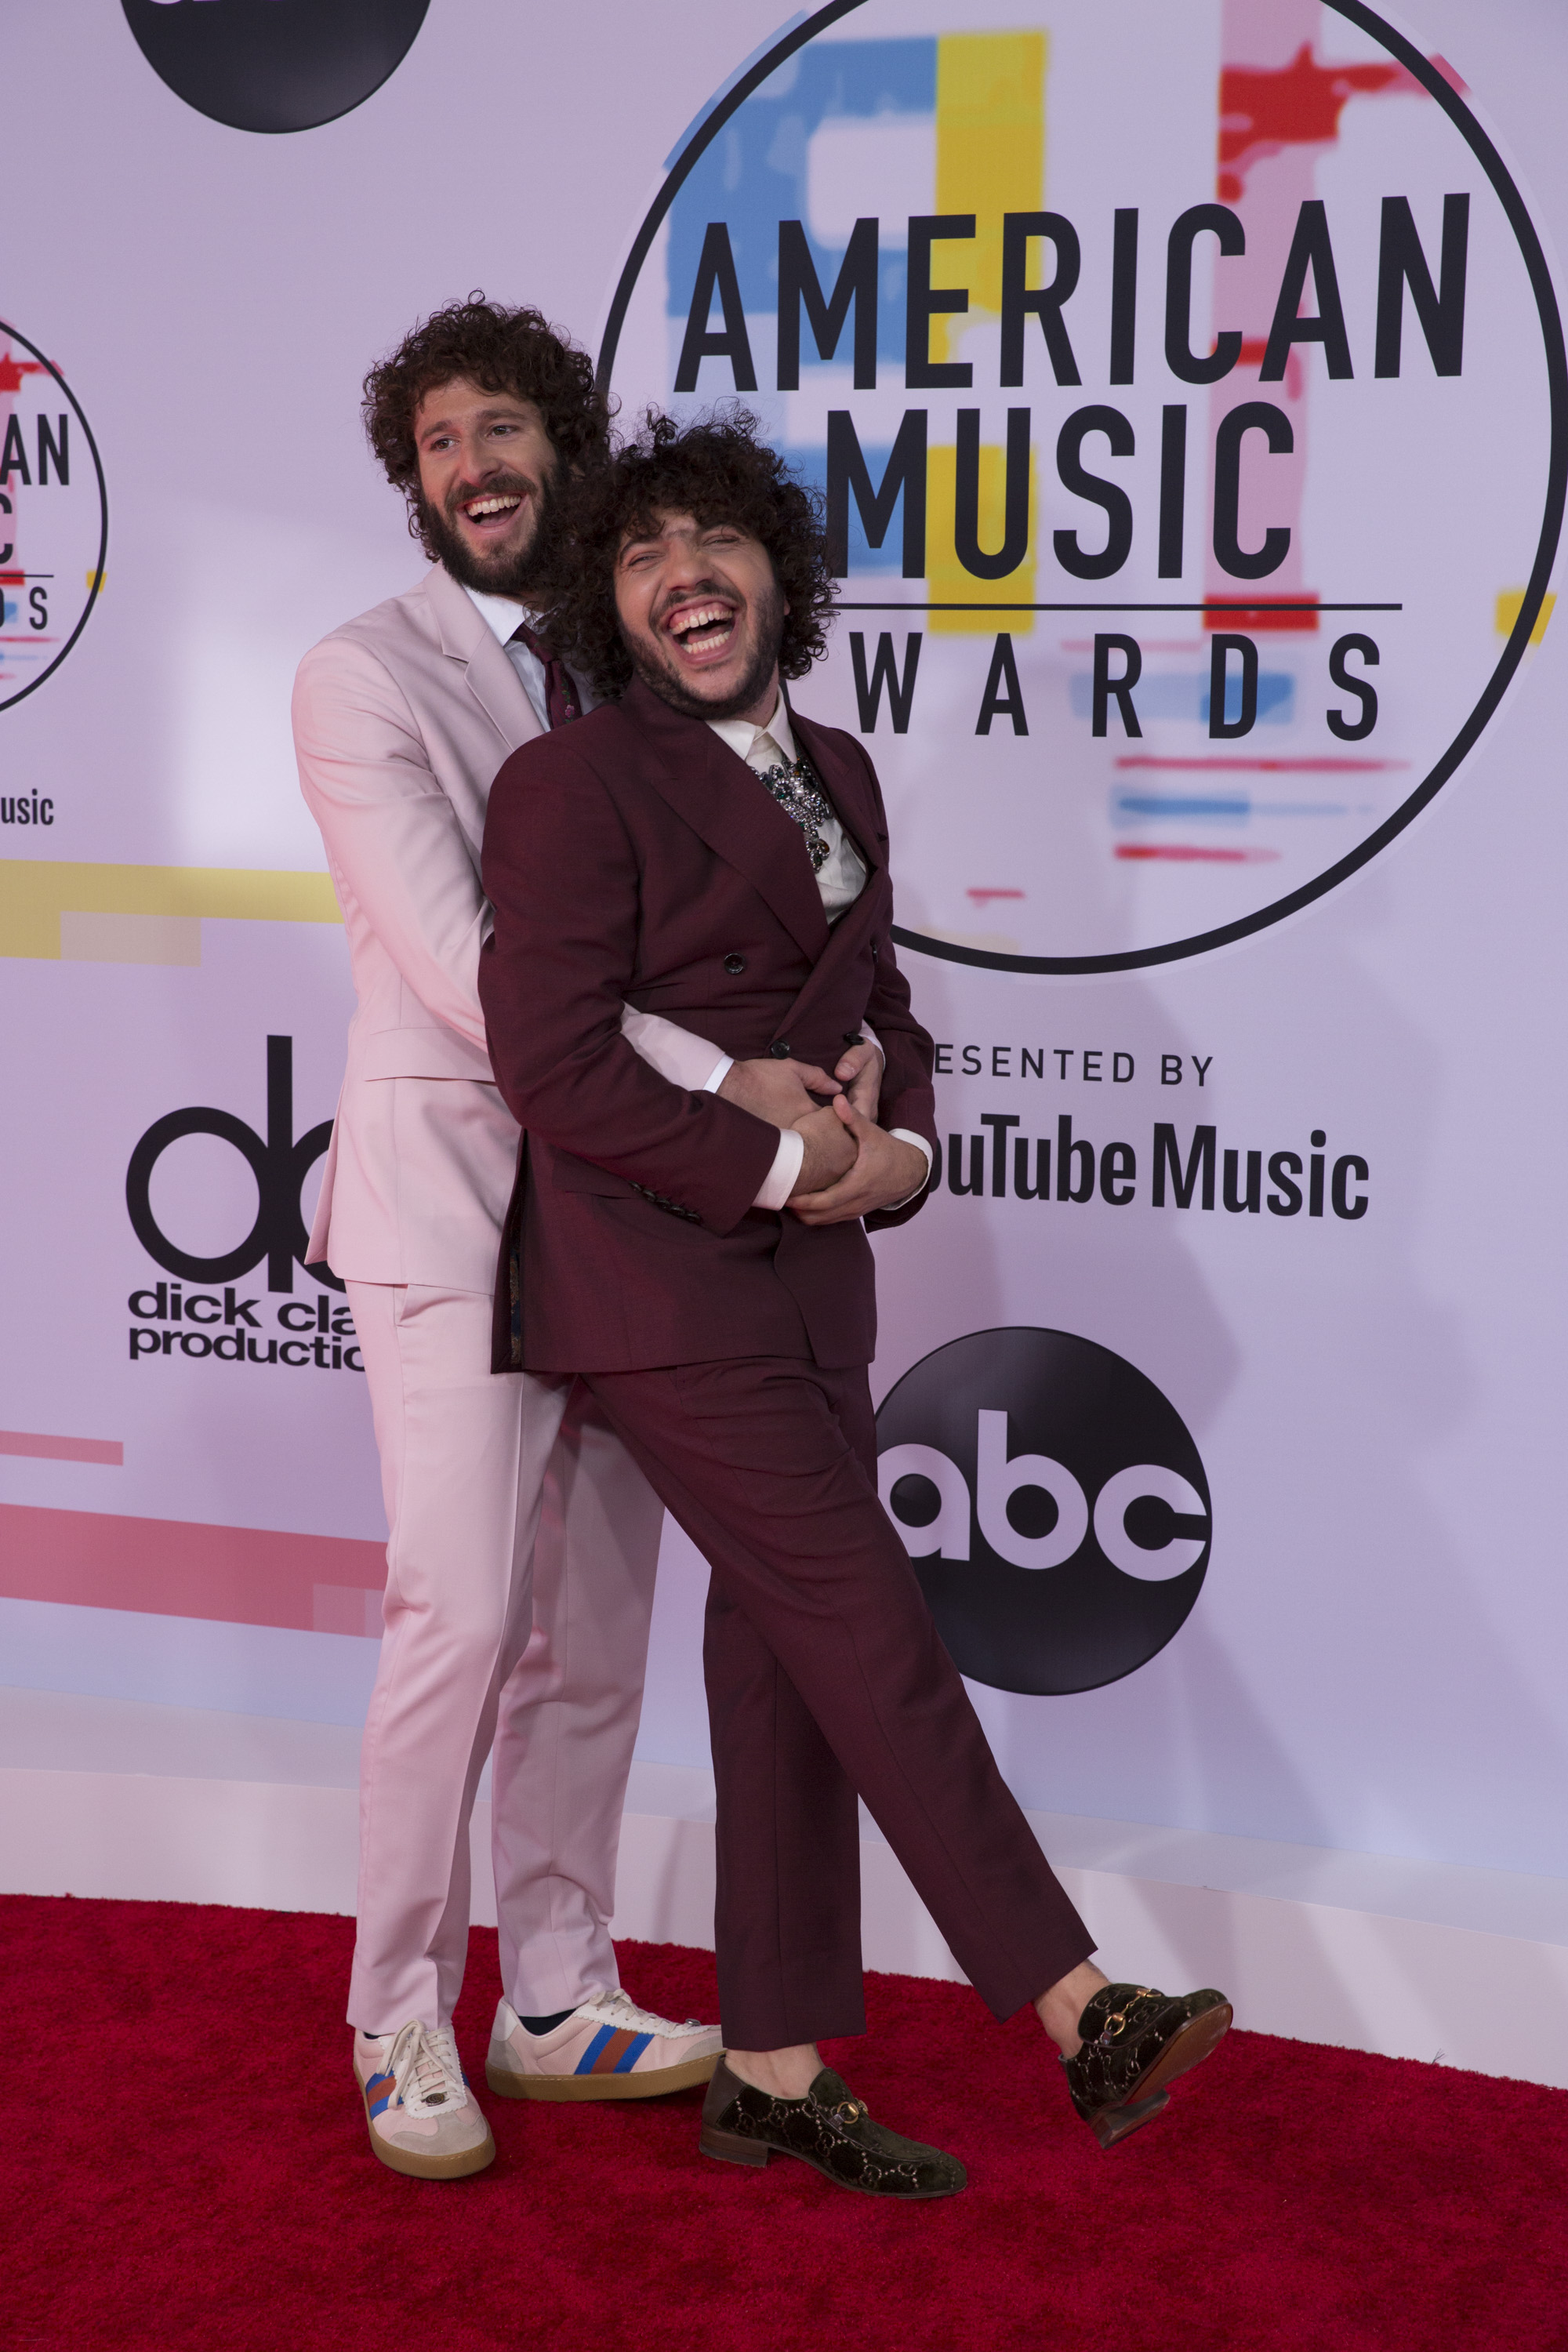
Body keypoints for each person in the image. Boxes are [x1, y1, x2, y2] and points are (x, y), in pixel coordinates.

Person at [477, 408, 1232, 2201]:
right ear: (611, 606)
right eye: (642, 554)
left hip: (816, 1279)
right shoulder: (571, 785)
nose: (682, 575)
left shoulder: (842, 767)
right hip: (658, 1278)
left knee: (787, 1671)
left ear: (776, 576)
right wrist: (771, 1167)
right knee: (868, 1626)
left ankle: (772, 2068)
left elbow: (878, 1004)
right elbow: (552, 1064)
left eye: (713, 540)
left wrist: (897, 1154)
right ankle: (1078, 2005)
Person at [292, 304, 881, 2180]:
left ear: (565, 444)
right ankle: (399, 2011)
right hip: (462, 1203)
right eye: (436, 442)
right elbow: (482, 978)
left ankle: (552, 1987)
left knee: (595, 1635)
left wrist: (800, 1092)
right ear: (413, 484)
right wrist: (739, 1091)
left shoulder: (631, 664)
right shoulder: (361, 678)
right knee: (459, 1616)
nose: (473, 465)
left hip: (630, 1217)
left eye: (503, 427)